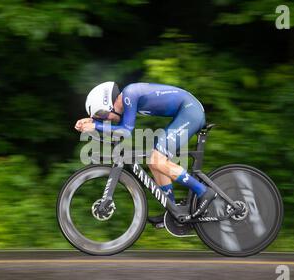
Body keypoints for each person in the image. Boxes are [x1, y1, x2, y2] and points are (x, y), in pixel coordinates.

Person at [75, 82, 217, 227]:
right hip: (186, 112)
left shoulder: (129, 94)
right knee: (153, 161)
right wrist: (92, 122)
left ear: (108, 103)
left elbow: (125, 130)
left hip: (190, 111)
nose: (106, 119)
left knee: (156, 160)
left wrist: (95, 125)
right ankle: (173, 210)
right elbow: (119, 129)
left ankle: (203, 192)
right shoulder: (126, 102)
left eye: (102, 114)